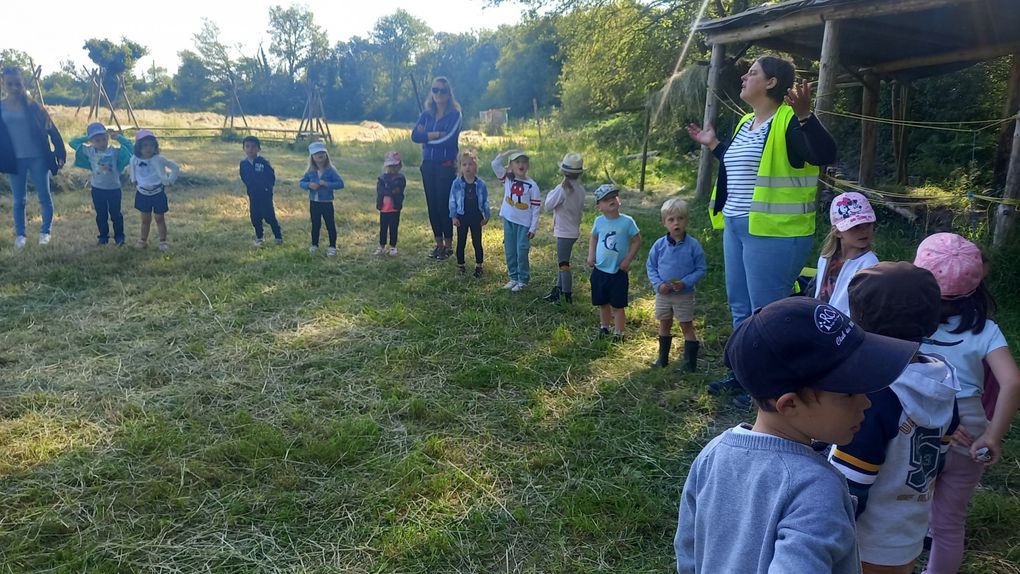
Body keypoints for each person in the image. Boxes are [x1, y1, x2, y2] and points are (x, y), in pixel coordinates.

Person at [675, 297, 919, 574]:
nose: (866, 402)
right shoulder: (815, 488)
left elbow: (689, 551)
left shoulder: (713, 453)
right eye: (849, 393)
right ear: (789, 404)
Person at [686, 55, 837, 405]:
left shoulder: (787, 121)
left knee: (767, 313)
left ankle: (773, 388)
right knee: (741, 308)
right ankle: (745, 374)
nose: (743, 75)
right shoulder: (745, 123)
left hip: (775, 233)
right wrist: (712, 144)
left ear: (771, 83)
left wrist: (805, 116)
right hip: (738, 228)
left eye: (752, 72)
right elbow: (742, 164)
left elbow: (824, 153)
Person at [829, 262, 960, 574]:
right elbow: (937, 461)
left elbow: (849, 487)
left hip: (865, 541)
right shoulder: (943, 383)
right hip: (906, 531)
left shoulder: (873, 397)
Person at [913, 233, 1020, 574]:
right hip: (971, 427)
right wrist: (992, 437)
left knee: (902, 504)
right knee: (948, 525)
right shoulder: (986, 330)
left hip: (917, 419)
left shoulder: (907, 324)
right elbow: (1013, 382)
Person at [0, 66, 66, 248]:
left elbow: (52, 130)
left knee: (44, 196)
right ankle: (20, 235)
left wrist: (60, 152)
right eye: (10, 84)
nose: (14, 87)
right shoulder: (0, 108)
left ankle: (45, 232)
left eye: (18, 84)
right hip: (14, 160)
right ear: (3, 84)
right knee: (19, 200)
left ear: (23, 83)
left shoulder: (34, 106)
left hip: (38, 158)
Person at [646, 198, 706, 371]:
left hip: (684, 295)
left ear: (686, 220)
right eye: (671, 220)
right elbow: (651, 266)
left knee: (686, 325)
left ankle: (689, 364)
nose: (676, 223)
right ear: (664, 222)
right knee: (664, 323)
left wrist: (686, 282)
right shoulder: (659, 245)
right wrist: (658, 285)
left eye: (680, 219)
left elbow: (701, 268)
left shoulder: (693, 246)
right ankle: (662, 359)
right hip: (664, 294)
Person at [411, 76, 462, 260]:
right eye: (435, 90)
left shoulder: (455, 115)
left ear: (449, 94)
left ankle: (448, 245)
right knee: (432, 205)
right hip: (428, 165)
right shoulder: (426, 114)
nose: (438, 94)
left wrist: (427, 136)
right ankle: (438, 244)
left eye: (442, 90)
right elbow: (415, 136)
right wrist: (434, 134)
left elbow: (447, 139)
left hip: (445, 165)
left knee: (443, 205)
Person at [586, 184, 641, 340]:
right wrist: (591, 255)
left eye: (613, 197)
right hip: (600, 270)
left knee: (618, 305)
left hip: (618, 271)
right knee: (602, 302)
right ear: (599, 206)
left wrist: (627, 260)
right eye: (606, 199)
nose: (611, 200)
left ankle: (619, 332)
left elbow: (637, 241)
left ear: (619, 200)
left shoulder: (627, 222)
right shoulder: (599, 221)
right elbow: (594, 237)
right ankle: (604, 327)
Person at [814, 192, 879, 314]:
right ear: (837, 232)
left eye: (868, 224)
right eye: (856, 226)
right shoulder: (825, 259)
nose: (864, 231)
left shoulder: (870, 264)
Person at [69, 122, 132, 246]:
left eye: (104, 139)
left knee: (116, 214)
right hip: (98, 189)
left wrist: (118, 137)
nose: (102, 142)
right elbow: (72, 143)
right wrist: (88, 137)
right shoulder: (89, 151)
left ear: (108, 138)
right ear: (92, 141)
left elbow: (131, 147)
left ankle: (119, 237)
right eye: (97, 140)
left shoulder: (114, 151)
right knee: (101, 215)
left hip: (114, 189)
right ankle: (103, 237)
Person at [492, 149, 541, 292]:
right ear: (511, 166)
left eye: (524, 162)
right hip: (509, 221)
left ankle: (523, 279)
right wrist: (508, 152)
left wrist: (533, 227)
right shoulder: (507, 179)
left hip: (524, 225)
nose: (521, 165)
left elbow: (536, 208)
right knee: (510, 250)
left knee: (521, 251)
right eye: (517, 162)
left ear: (528, 166)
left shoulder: (532, 185)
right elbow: (494, 164)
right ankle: (513, 277)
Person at [542, 152, 586, 305]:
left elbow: (548, 205)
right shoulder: (580, 190)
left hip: (564, 232)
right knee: (562, 262)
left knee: (563, 264)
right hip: (573, 231)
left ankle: (566, 295)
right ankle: (558, 290)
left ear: (563, 171)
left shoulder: (562, 190)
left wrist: (553, 190)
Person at [130, 129, 179, 251]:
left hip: (157, 193)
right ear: (139, 147)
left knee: (159, 218)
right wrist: (133, 180)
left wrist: (169, 180)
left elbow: (175, 167)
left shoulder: (159, 159)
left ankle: (163, 241)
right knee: (145, 219)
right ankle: (143, 240)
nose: (148, 148)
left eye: (151, 145)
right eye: (145, 145)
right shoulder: (134, 159)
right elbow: (133, 171)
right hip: (143, 193)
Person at [448, 150, 489, 277]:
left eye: (470, 164)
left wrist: (487, 215)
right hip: (462, 217)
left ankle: (479, 265)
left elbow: (486, 200)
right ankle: (461, 265)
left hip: (476, 217)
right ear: (460, 167)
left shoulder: (481, 184)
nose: (467, 167)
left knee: (477, 242)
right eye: (464, 164)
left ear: (475, 166)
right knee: (461, 242)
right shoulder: (457, 183)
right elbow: (452, 200)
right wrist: (453, 216)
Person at [300, 141, 344, 256]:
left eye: (322, 153)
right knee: (315, 224)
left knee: (330, 224)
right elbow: (301, 182)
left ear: (326, 155)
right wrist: (308, 185)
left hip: (327, 202)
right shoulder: (310, 171)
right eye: (316, 154)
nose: (319, 155)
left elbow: (340, 183)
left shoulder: (331, 170)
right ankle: (314, 244)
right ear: (312, 157)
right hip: (314, 202)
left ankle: (332, 246)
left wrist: (326, 184)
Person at [239, 135, 282, 247]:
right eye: (247, 146)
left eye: (253, 147)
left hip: (265, 194)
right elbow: (243, 176)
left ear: (258, 149)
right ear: (244, 148)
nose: (250, 149)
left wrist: (268, 187)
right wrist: (249, 186)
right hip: (253, 195)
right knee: (255, 216)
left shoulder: (263, 162)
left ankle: (278, 236)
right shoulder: (243, 164)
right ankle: (259, 237)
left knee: (269, 216)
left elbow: (271, 176)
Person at [375, 150, 406, 256]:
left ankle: (393, 246)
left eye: (394, 166)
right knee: (383, 228)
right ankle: (382, 246)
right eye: (390, 166)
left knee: (393, 228)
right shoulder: (382, 178)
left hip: (394, 208)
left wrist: (388, 190)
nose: (392, 168)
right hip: (384, 208)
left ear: (399, 166)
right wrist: (389, 190)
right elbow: (380, 190)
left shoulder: (400, 178)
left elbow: (397, 190)